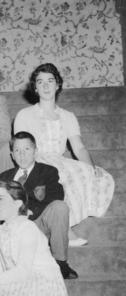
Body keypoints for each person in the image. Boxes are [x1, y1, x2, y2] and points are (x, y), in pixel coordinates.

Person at [14, 63, 115, 246]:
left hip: (58, 159)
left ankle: (62, 224)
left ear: (58, 85)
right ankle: (63, 230)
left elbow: (79, 148)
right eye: (40, 82)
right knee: (54, 176)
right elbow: (21, 148)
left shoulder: (68, 116)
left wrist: (90, 168)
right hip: (34, 159)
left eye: (50, 81)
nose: (45, 86)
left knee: (93, 174)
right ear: (35, 87)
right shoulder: (24, 114)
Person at [0, 131, 77, 279]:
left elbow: (56, 195)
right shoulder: (4, 176)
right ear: (12, 155)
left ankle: (61, 262)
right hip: (14, 226)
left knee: (60, 207)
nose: (22, 154)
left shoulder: (48, 171)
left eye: (27, 149)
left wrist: (28, 209)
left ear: (35, 150)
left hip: (38, 221)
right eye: (17, 150)